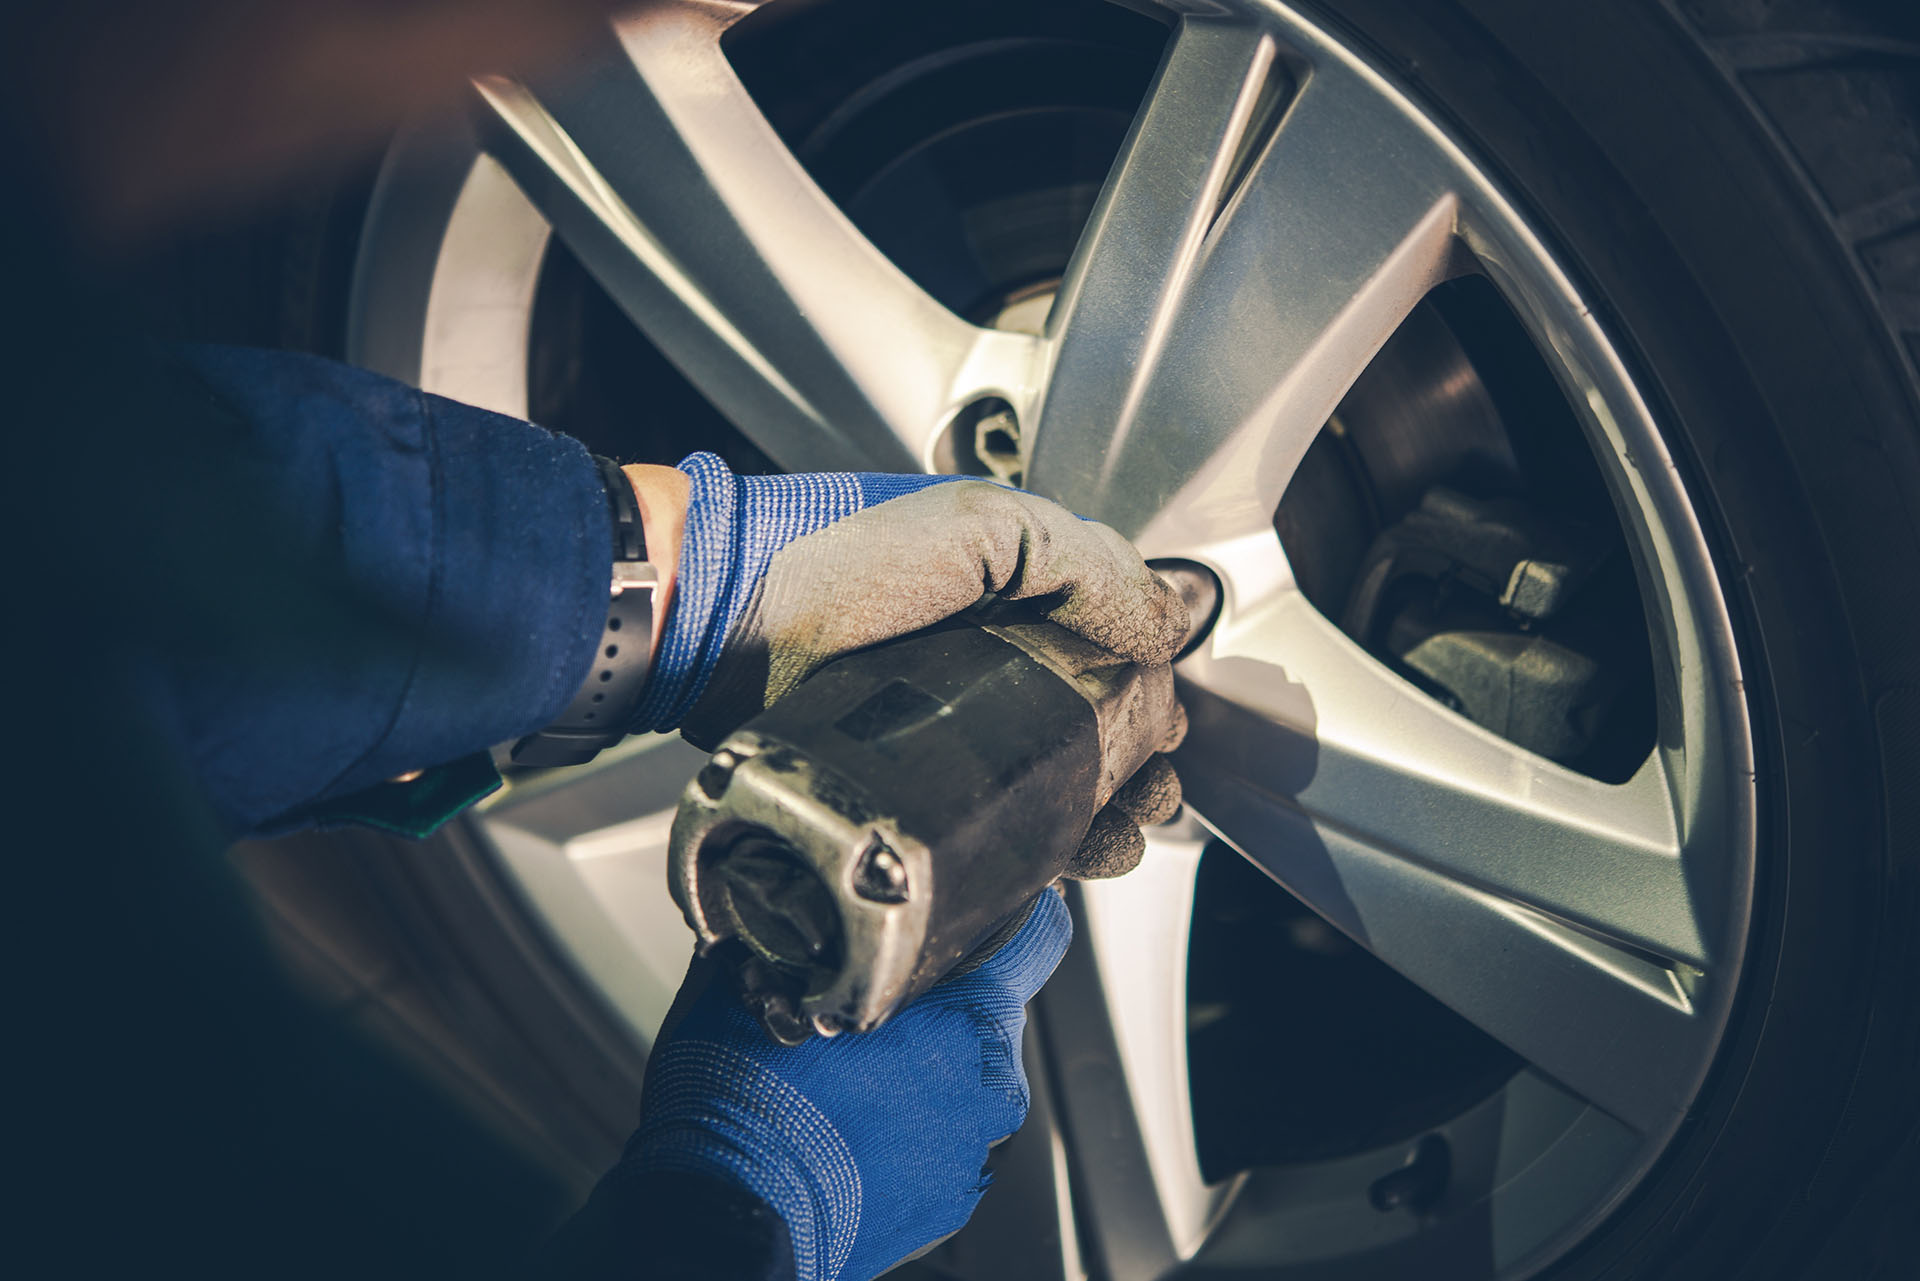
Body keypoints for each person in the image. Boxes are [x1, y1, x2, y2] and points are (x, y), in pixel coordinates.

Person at [2, 3, 1183, 1276]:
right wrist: (731, 1225)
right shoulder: (116, 1111)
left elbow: (62, 597)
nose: (682, 19)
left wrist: (660, 579)